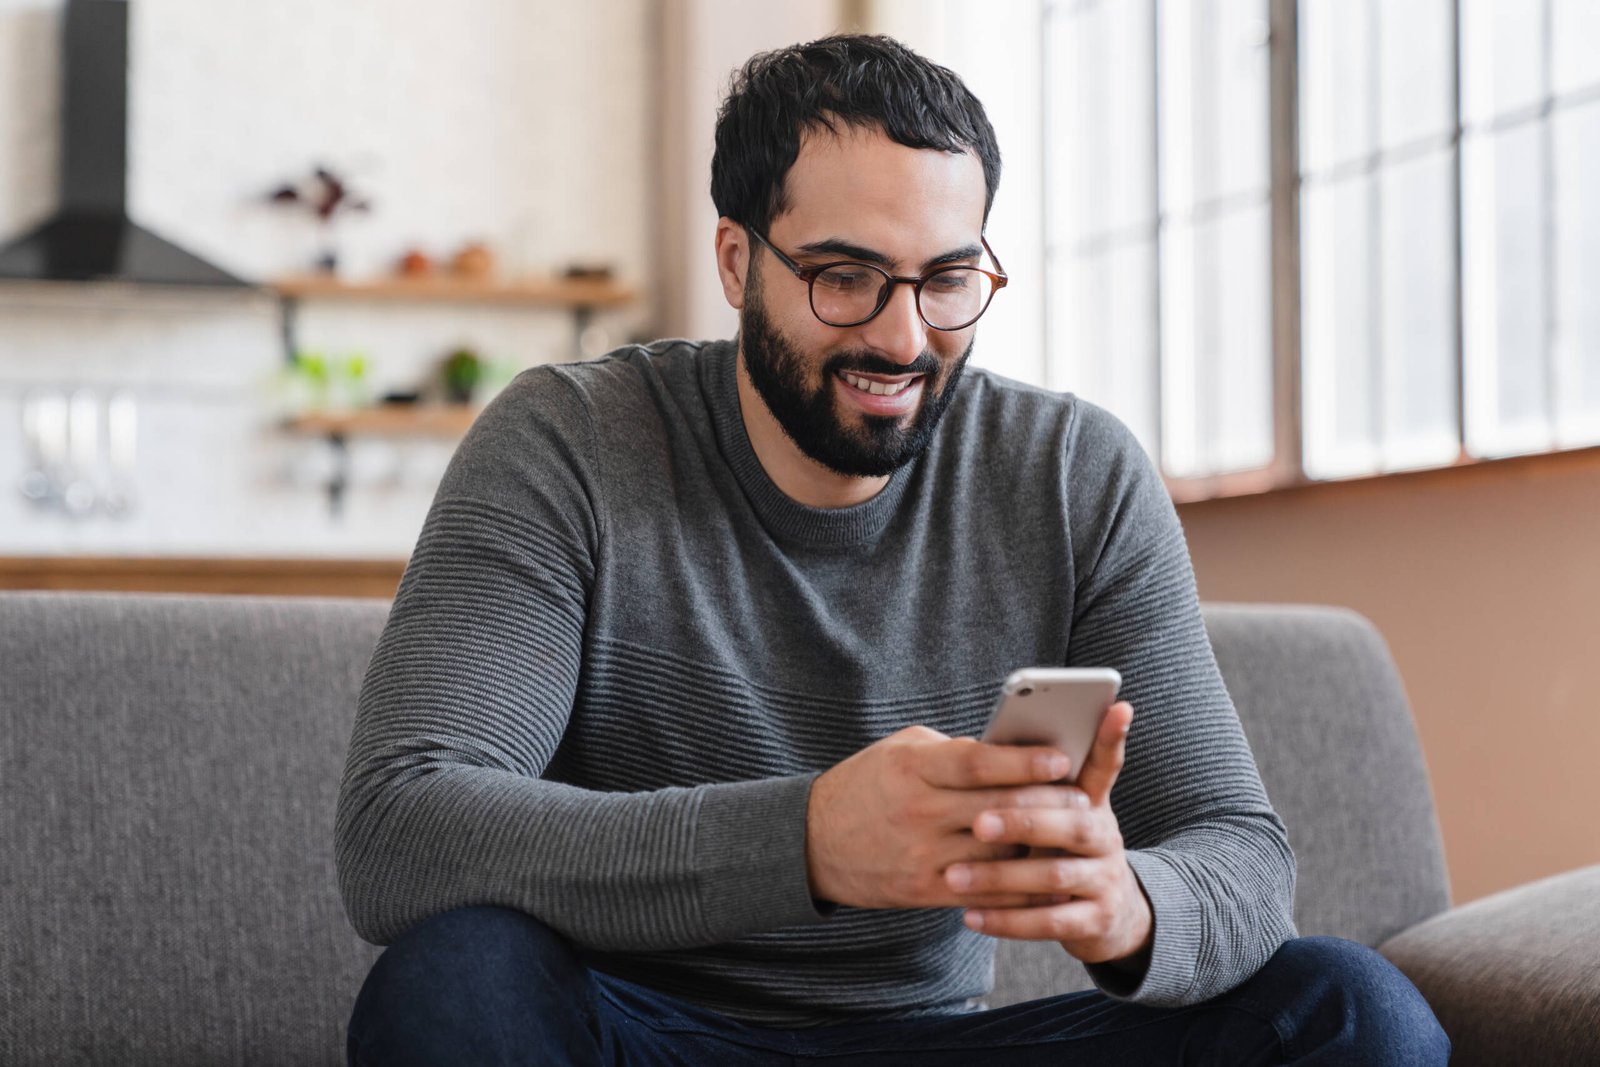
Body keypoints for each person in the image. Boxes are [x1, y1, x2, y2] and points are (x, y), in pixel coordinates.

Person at [337, 34, 1448, 1066]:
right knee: (454, 981)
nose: (903, 336)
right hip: (641, 1035)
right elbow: (405, 827)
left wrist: (1129, 904)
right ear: (736, 261)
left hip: (935, 1040)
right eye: (845, 276)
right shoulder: (569, 443)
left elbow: (1242, 854)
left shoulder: (1072, 472)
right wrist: (809, 836)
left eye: (947, 279)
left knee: (1352, 1010)